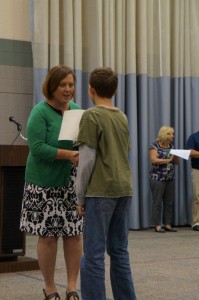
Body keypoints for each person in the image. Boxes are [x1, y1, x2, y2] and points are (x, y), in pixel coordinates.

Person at [20, 65, 83, 300]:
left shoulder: (76, 110)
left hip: (71, 183)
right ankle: (49, 288)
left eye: (71, 84)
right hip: (43, 184)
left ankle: (71, 286)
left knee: (74, 234)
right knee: (47, 236)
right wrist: (68, 155)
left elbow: (80, 142)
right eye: (63, 85)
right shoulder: (40, 112)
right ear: (52, 86)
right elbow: (37, 148)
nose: (68, 89)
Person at [75, 67, 137, 300]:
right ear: (115, 90)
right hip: (124, 188)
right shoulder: (122, 116)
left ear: (91, 89)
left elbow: (87, 160)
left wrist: (80, 196)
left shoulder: (91, 116)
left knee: (93, 254)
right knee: (119, 251)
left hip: (101, 191)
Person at [149, 126, 179, 233]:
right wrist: (168, 159)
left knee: (169, 202)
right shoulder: (154, 146)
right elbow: (154, 160)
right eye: (171, 134)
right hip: (157, 178)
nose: (173, 136)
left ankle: (167, 224)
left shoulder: (171, 146)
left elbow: (176, 163)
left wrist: (176, 157)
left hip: (170, 178)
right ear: (165, 135)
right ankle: (157, 225)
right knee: (157, 202)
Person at [186, 131, 199, 231]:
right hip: (197, 170)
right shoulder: (194, 137)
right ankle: (196, 222)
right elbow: (189, 152)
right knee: (197, 196)